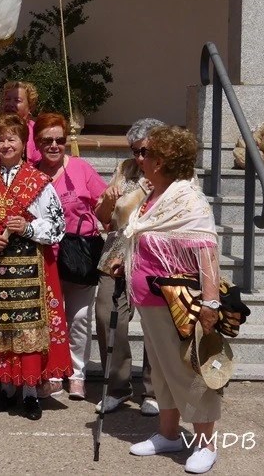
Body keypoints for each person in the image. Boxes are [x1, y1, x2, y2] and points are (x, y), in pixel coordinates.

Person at [121, 126, 223, 475]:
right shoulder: (153, 194)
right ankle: (168, 434)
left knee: (187, 371)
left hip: (177, 302)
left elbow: (206, 252)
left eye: (146, 153)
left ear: (161, 160)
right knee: (163, 373)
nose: (140, 158)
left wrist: (210, 304)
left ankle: (206, 445)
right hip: (150, 301)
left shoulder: (187, 199)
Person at [0, 113, 71, 420]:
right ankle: (5, 387)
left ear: (24, 144)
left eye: (12, 138)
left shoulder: (39, 183)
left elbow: (57, 225)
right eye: (1, 139)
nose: (6, 144)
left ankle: (28, 392)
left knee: (28, 328)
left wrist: (27, 227)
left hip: (31, 269)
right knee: (0, 326)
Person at [33, 113, 110, 400]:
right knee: (50, 318)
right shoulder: (30, 173)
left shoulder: (80, 168)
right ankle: (53, 372)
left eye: (60, 140)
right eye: (47, 140)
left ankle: (76, 373)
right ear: (37, 142)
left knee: (78, 317)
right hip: (46, 256)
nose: (54, 145)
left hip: (80, 253)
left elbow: (104, 204)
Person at [94, 118, 166, 416]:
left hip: (156, 253)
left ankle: (154, 389)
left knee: (155, 322)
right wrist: (109, 202)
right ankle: (117, 387)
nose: (139, 158)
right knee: (106, 313)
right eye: (134, 150)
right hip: (116, 250)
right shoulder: (126, 170)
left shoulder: (177, 174)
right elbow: (102, 215)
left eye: (144, 151)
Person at [0, 80, 42, 179]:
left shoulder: (37, 131)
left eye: (17, 100)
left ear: (30, 107)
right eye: (7, 99)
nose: (10, 104)